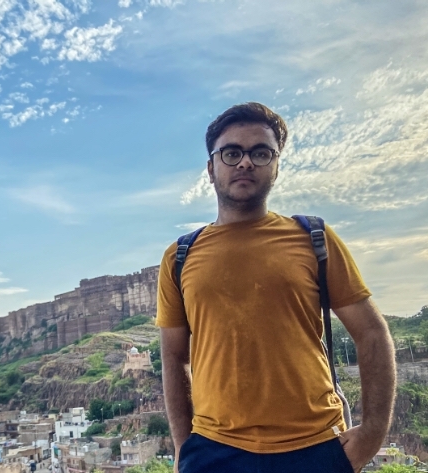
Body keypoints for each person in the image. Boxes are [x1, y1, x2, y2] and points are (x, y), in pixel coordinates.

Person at [156, 102, 396, 473]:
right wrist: (183, 448)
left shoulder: (313, 238)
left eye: (261, 153)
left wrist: (372, 433)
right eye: (231, 153)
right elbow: (174, 357)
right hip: (213, 451)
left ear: (276, 166)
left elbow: (372, 333)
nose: (245, 163)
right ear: (211, 168)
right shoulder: (179, 256)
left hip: (315, 446)